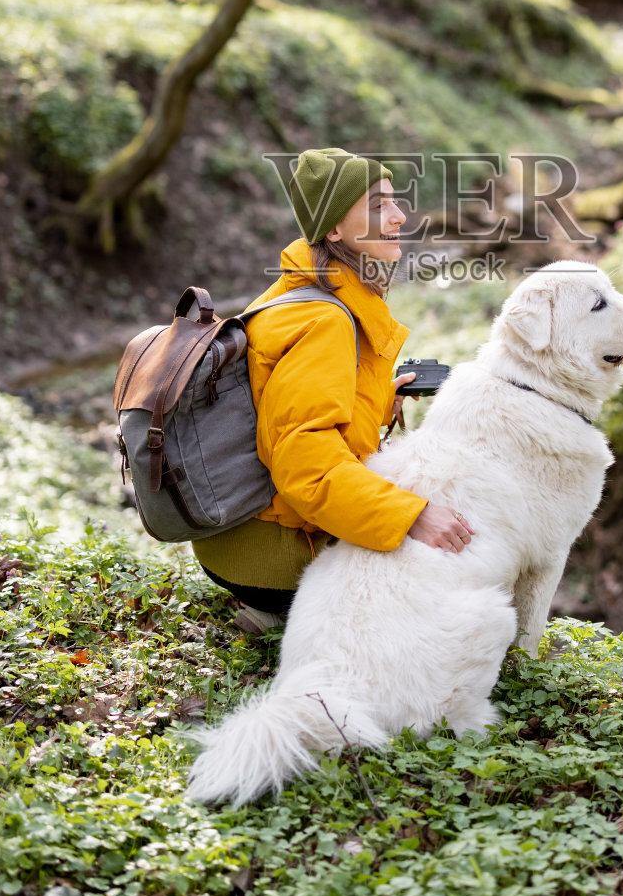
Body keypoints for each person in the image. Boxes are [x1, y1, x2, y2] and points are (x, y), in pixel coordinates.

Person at [193, 146, 475, 629]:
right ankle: (276, 614)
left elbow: (298, 414)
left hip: (244, 531)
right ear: (335, 230)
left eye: (393, 200)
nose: (398, 216)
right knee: (451, 565)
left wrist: (383, 395)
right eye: (378, 206)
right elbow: (307, 465)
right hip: (266, 552)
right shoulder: (324, 319)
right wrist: (410, 516)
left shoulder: (306, 290)